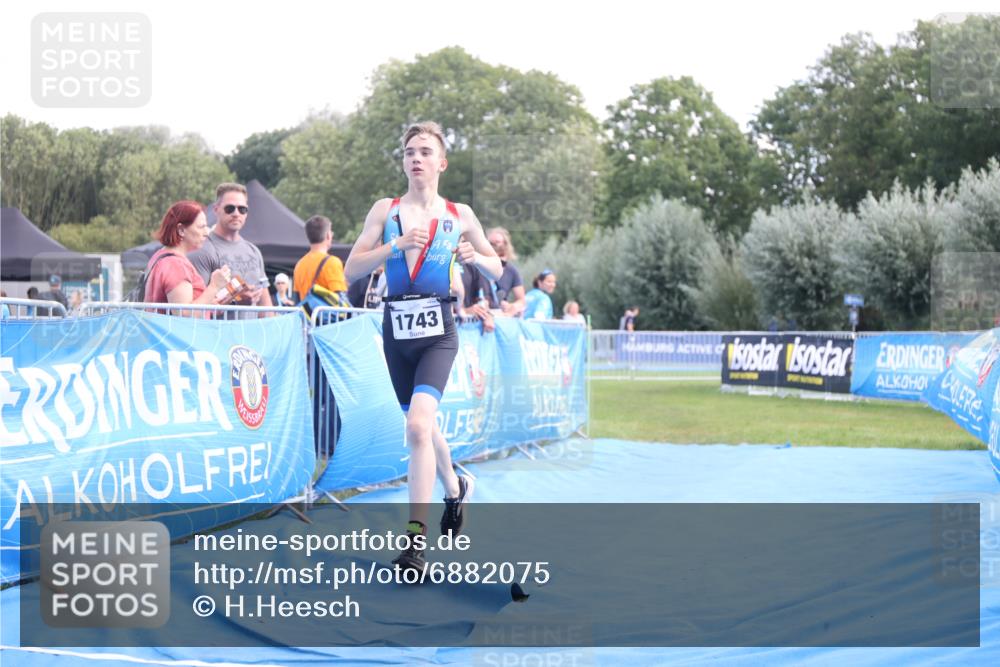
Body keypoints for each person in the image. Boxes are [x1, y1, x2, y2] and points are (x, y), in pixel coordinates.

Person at [344, 121, 502, 573]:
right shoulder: (386, 209)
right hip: (397, 332)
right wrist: (393, 246)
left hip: (438, 332)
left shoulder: (460, 214)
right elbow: (352, 268)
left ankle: (414, 543)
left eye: (425, 151)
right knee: (425, 429)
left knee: (416, 427)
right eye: (410, 151)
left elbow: (496, 267)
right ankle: (455, 490)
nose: (416, 158)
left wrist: (478, 258)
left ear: (441, 162)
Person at [188, 183, 272, 319]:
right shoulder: (202, 250)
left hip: (250, 337)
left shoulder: (253, 251)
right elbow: (196, 308)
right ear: (216, 210)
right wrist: (236, 299)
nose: (236, 213)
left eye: (242, 209)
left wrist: (271, 333)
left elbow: (266, 305)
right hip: (217, 336)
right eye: (229, 208)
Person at [143, 200, 232, 316]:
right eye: (201, 227)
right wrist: (214, 286)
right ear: (181, 230)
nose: (206, 232)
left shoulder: (161, 255)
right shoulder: (176, 264)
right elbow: (183, 314)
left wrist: (209, 305)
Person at [292, 215, 349, 306]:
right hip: (327, 318)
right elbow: (341, 299)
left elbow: (297, 299)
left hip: (306, 317)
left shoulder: (299, 264)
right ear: (328, 235)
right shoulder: (332, 262)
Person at [486, 226, 526, 316]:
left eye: (497, 243)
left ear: (505, 244)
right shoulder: (478, 266)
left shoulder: (512, 271)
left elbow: (522, 301)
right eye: (490, 243)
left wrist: (511, 306)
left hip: (499, 317)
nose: (493, 246)